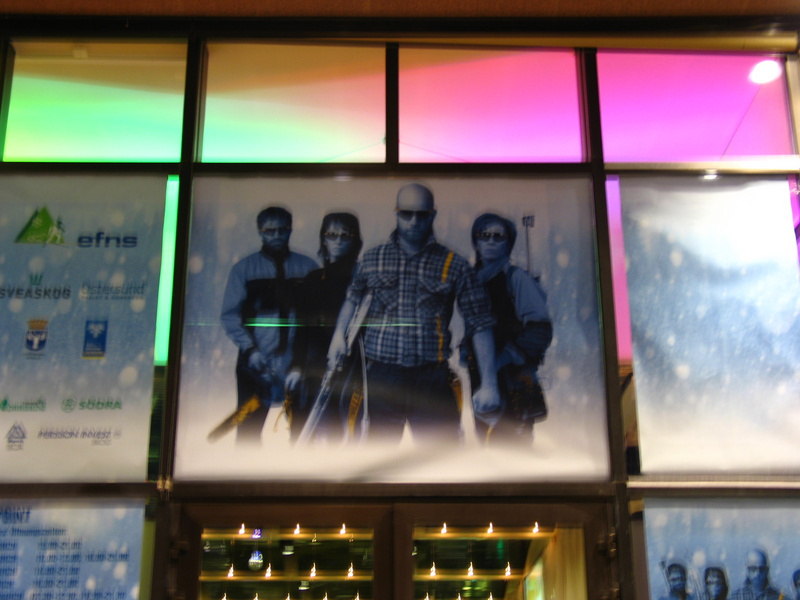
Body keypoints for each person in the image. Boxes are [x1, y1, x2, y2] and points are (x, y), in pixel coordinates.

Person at [327, 182, 500, 444]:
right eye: (407, 214)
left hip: (432, 378)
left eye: (422, 214)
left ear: (433, 214)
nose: (414, 222)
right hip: (381, 377)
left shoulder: (454, 265)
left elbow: (480, 323)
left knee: (440, 457)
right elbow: (352, 298)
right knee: (378, 455)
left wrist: (489, 383)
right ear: (396, 213)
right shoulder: (373, 259)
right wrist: (338, 335)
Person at [220, 206, 317, 444]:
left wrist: (303, 362)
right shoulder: (244, 270)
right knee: (249, 430)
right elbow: (230, 316)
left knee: (303, 430)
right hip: (256, 362)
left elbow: (315, 318)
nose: (276, 236)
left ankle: (300, 467)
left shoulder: (308, 268)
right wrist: (250, 350)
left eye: (282, 230)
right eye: (269, 231)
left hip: (297, 362)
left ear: (290, 230)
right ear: (260, 231)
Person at [462, 212, 552, 444]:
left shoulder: (517, 278)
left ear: (508, 243)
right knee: (486, 440)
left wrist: (503, 358)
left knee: (513, 444)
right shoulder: (472, 280)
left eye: (498, 236)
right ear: (476, 241)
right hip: (481, 377)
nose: (490, 241)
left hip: (514, 379)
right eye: (484, 235)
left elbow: (539, 330)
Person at [285, 212, 363, 442]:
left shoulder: (362, 277)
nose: (338, 241)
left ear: (355, 241)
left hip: (350, 365)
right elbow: (302, 329)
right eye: (331, 235)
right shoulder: (313, 279)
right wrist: (297, 366)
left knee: (341, 430)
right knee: (304, 428)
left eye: (345, 235)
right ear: (323, 239)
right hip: (315, 364)